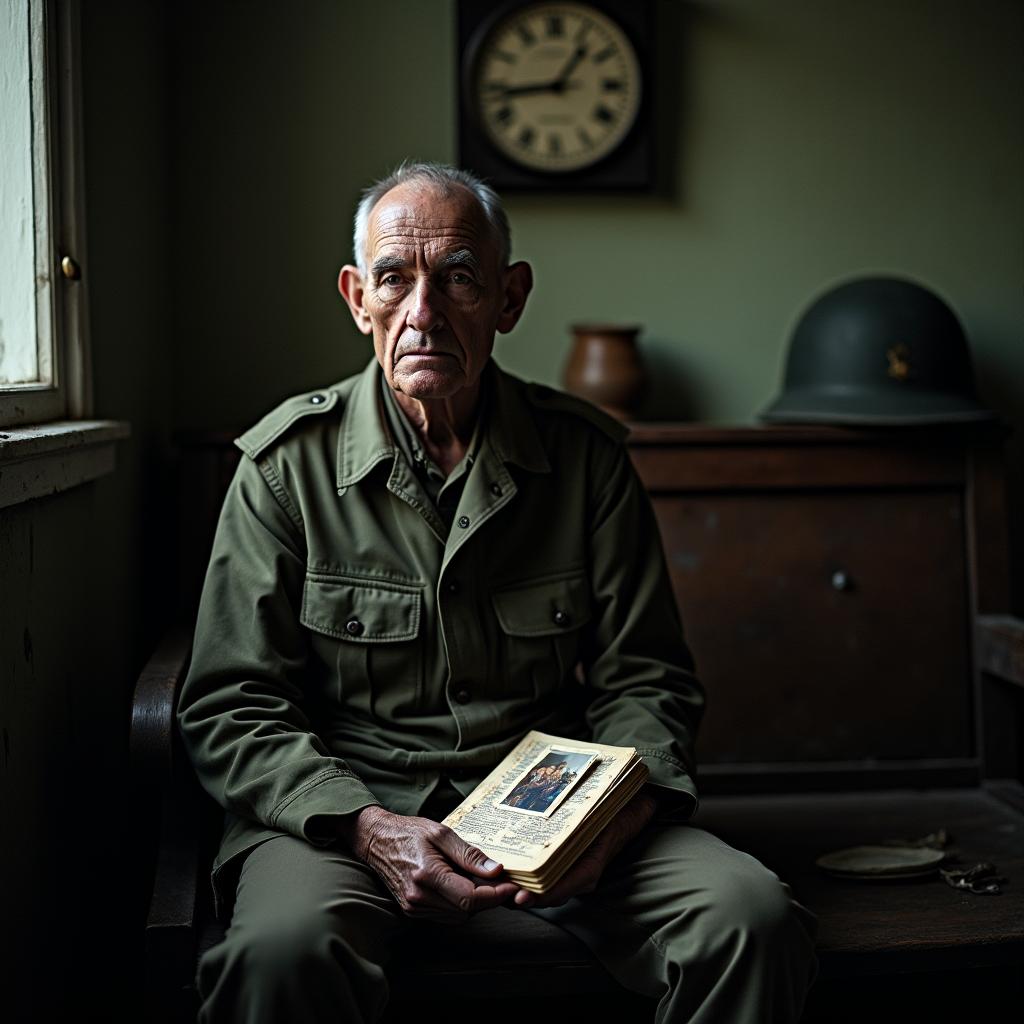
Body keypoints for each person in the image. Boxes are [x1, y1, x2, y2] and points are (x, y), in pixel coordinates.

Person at [177, 161, 817, 1023]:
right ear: (357, 297)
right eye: (395, 280)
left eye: (459, 280)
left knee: (750, 920)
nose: (424, 313)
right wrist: (364, 825)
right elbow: (231, 702)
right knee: (279, 956)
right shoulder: (285, 470)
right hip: (345, 816)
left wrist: (607, 827)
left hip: (556, 815)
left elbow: (648, 680)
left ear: (509, 299)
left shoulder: (586, 459)